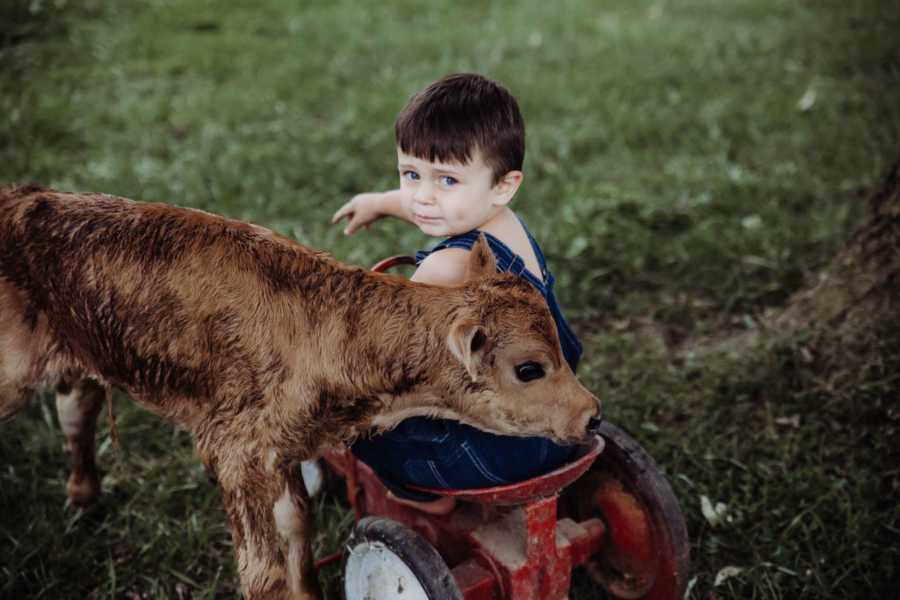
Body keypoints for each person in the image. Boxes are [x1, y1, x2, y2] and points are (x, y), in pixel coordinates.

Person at [331, 73, 583, 514]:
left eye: (446, 180)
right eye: (411, 174)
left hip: (479, 454)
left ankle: (421, 494)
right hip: (550, 424)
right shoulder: (505, 223)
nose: (422, 197)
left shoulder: (443, 269)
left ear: (503, 185)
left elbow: (391, 358)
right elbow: (430, 205)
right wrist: (380, 201)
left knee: (356, 423)